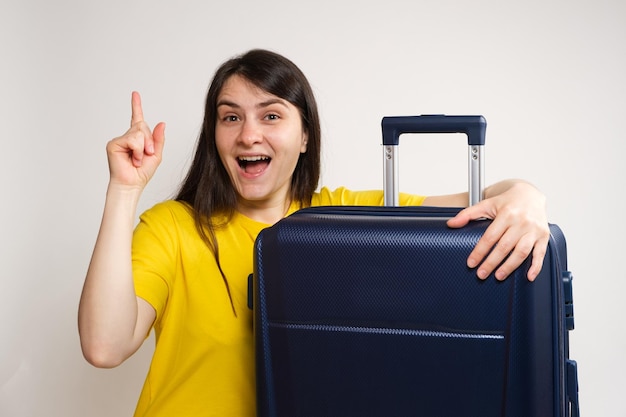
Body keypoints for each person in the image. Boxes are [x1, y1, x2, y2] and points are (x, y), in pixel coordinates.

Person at [78, 49, 550, 416]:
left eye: (271, 115)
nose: (248, 135)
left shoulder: (340, 219)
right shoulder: (174, 228)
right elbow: (104, 346)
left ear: (304, 137)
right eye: (230, 117)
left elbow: (477, 200)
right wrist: (123, 190)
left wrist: (527, 196)